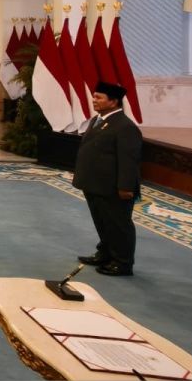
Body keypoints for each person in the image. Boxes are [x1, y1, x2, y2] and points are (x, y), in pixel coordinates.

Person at [73, 81, 143, 277]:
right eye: (94, 96)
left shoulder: (125, 126)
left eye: (99, 97)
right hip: (95, 184)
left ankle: (123, 262)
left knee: (118, 225)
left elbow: (129, 160)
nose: (94, 100)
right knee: (103, 222)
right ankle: (105, 253)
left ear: (113, 102)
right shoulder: (98, 120)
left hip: (113, 187)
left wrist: (125, 187)